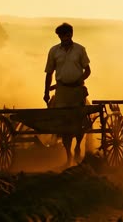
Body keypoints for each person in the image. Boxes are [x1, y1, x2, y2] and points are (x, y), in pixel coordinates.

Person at [43, 22, 91, 166]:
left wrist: (79, 80)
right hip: (62, 91)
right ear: (59, 36)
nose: (64, 37)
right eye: (61, 35)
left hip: (77, 90)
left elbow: (87, 70)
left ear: (71, 34)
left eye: (66, 35)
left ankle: (77, 146)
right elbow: (49, 73)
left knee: (80, 119)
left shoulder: (80, 50)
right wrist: (46, 91)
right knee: (62, 123)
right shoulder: (54, 51)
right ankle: (68, 154)